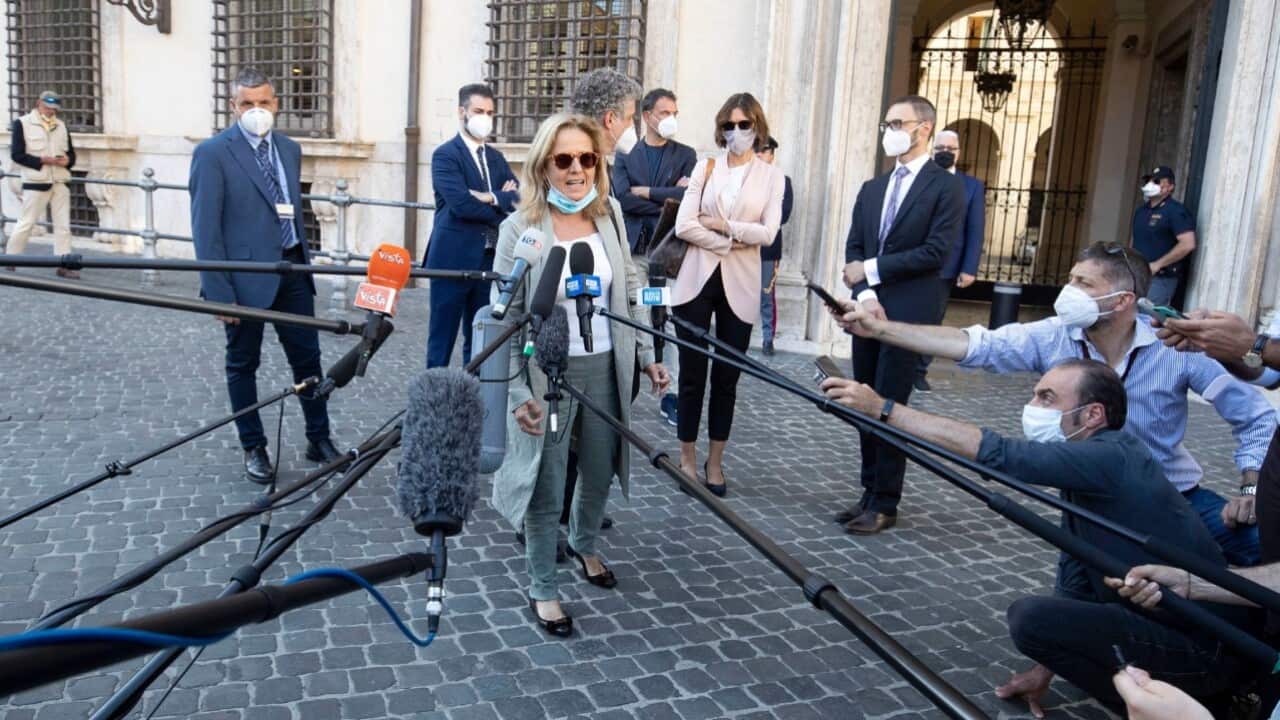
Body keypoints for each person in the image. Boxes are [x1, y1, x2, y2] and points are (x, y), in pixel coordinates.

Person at [822, 358, 1258, 717]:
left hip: (1210, 648)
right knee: (1046, 619)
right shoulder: (1091, 468)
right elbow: (1075, 574)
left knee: (1030, 618)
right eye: (1035, 394)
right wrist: (1046, 666)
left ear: (1093, 415)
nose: (1032, 406)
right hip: (1170, 624)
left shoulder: (1110, 456)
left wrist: (884, 408)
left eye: (1046, 398)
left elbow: (1004, 455)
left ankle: (1198, 702)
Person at [833, 242, 1275, 564]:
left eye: (1083, 283)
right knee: (1098, 597)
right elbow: (973, 344)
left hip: (1176, 497)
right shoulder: (1054, 335)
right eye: (1070, 278)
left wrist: (1251, 488)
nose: (1068, 290)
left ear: (1123, 300)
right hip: (1090, 508)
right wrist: (880, 329)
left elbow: (1256, 418)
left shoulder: (1177, 347)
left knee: (1265, 550)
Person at [489, 113, 668, 637]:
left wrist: (648, 355)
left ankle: (585, 544)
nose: (576, 169)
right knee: (546, 483)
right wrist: (517, 392)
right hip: (548, 374)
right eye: (563, 159)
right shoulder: (519, 229)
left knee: (599, 468)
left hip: (607, 368)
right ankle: (543, 587)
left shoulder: (609, 214)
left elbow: (629, 287)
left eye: (587, 158)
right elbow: (504, 318)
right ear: (543, 165)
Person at [189, 68, 342, 483]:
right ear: (233, 106)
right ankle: (253, 446)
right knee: (243, 364)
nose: (256, 110)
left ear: (276, 103)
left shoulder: (289, 149)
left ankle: (318, 438)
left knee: (308, 359)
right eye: (247, 103)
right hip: (244, 278)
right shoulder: (213, 153)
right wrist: (219, 292)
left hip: (292, 269)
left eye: (263, 102)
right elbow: (206, 229)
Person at [836, 94, 965, 534]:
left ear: (923, 128)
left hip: (909, 314)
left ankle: (886, 502)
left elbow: (934, 253)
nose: (889, 131)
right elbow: (855, 248)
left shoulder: (946, 187)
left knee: (890, 404)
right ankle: (868, 490)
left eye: (897, 123)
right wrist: (866, 293)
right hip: (867, 311)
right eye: (887, 124)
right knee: (862, 400)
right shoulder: (872, 188)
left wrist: (870, 270)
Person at [671, 92, 785, 497]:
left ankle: (715, 461)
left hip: (741, 284)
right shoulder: (705, 167)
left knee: (727, 378)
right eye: (729, 125)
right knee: (691, 375)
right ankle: (686, 457)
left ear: (757, 127)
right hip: (695, 281)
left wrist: (720, 225)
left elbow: (767, 233)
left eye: (744, 124)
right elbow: (684, 224)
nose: (736, 132)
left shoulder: (773, 177)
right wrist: (730, 242)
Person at [423, 83, 519, 368]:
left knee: (479, 337)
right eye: (479, 111)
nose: (485, 118)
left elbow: (519, 198)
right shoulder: (445, 155)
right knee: (441, 338)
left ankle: (474, 390)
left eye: (490, 112)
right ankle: (434, 392)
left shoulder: (496, 157)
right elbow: (461, 205)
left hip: (488, 259)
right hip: (451, 260)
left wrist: (490, 196)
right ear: (461, 112)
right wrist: (500, 207)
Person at [915, 129, 984, 392]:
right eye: (940, 148)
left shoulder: (972, 186)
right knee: (908, 314)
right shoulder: (919, 178)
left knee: (933, 318)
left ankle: (919, 371)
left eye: (950, 149)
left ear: (959, 153)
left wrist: (969, 267)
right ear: (932, 150)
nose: (945, 152)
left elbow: (975, 229)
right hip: (914, 261)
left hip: (947, 265)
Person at [612, 88, 697, 254]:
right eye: (665, 113)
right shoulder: (625, 154)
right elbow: (623, 199)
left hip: (669, 247)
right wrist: (665, 208)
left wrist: (647, 192)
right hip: (633, 246)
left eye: (674, 114)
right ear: (647, 116)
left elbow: (687, 196)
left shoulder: (686, 154)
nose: (671, 119)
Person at [6, 91, 78, 278]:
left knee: (63, 226)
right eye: (47, 107)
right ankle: (10, 259)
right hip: (36, 181)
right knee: (26, 223)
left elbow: (72, 154)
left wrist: (68, 161)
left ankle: (64, 264)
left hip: (60, 181)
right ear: (39, 103)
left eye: (54, 109)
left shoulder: (61, 125)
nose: (51, 112)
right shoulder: (22, 123)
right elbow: (17, 155)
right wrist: (42, 161)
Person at [1131, 165, 1195, 307]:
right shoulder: (1141, 211)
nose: (1150, 184)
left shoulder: (1175, 211)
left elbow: (1188, 244)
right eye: (1148, 180)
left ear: (1170, 186)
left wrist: (1157, 265)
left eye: (1157, 181)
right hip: (1137, 276)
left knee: (1148, 315)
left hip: (1160, 278)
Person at [757, 136, 793, 357]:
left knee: (766, 293)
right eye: (757, 150)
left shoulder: (783, 181)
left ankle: (768, 338)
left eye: (764, 151)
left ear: (772, 155)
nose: (759, 154)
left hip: (768, 246)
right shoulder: (745, 180)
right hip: (743, 244)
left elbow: (784, 214)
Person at [568, 68, 641, 158]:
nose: (632, 124)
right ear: (610, 119)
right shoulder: (582, 163)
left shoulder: (569, 155)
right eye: (629, 118)